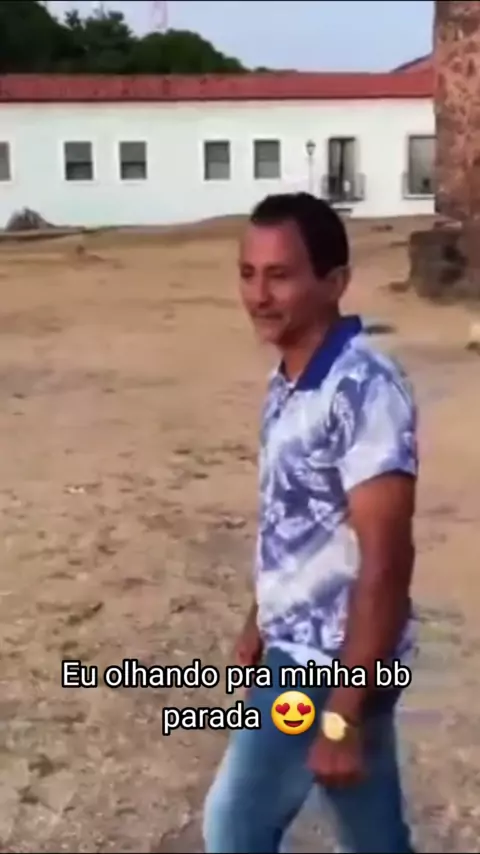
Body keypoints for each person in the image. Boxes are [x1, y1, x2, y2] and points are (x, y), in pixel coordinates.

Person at [203, 192, 418, 854]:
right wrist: (260, 616)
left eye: (280, 275)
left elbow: (387, 558)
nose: (259, 295)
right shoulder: (291, 380)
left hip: (326, 663)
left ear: (335, 281)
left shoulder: (363, 388)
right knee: (373, 836)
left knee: (235, 827)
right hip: (305, 647)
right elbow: (298, 521)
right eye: (248, 274)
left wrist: (343, 712)